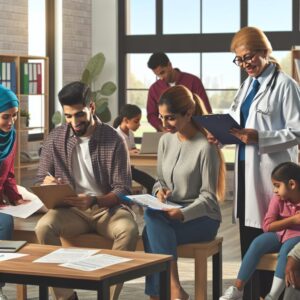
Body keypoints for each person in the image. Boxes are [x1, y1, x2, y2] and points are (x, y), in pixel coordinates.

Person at [214, 26, 300, 298]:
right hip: (245, 168)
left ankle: (271, 294)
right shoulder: (248, 85)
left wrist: (260, 137)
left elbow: (297, 131)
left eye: (248, 57)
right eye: (239, 59)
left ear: (265, 51)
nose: (244, 64)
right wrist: (220, 134)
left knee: (272, 236)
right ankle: (251, 294)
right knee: (250, 236)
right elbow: (237, 121)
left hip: (270, 175)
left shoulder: (286, 85)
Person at [35, 81, 139, 300]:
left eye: (79, 114)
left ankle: (108, 296)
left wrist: (95, 201)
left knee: (128, 230)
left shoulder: (114, 139)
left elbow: (123, 189)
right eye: (68, 116)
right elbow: (40, 177)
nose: (74, 121)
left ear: (91, 107)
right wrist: (47, 182)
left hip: (107, 210)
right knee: (44, 227)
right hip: (71, 210)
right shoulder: (55, 138)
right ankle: (66, 296)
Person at [142, 84, 226, 300]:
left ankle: (167, 290)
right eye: (161, 118)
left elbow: (209, 198)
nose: (164, 124)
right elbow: (159, 181)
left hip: (202, 218)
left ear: (188, 113)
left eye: (169, 118)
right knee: (152, 218)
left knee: (150, 232)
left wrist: (183, 213)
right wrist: (160, 191)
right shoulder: (165, 141)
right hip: (170, 213)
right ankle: (173, 290)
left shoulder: (206, 146)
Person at [220, 162, 300, 300]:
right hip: (278, 234)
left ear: (292, 184)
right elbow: (267, 226)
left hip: (297, 236)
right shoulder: (277, 199)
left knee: (286, 251)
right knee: (257, 243)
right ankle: (237, 289)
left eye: (277, 186)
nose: (274, 190)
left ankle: (272, 296)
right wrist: (293, 220)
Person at [0, 85, 33, 300]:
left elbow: (9, 174)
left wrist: (15, 197)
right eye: (5, 116)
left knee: (5, 222)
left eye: (14, 116)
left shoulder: (10, 137)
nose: (11, 122)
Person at [146, 52, 211, 132]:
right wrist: (164, 129)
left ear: (169, 65)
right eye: (157, 75)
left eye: (162, 72)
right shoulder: (154, 89)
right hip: (168, 135)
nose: (161, 78)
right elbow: (151, 115)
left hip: (194, 133)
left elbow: (205, 109)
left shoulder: (193, 81)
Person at [113, 104, 155, 194]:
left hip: (130, 170)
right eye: (136, 121)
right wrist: (128, 152)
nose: (139, 125)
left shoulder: (130, 134)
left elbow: (133, 149)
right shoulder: (115, 135)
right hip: (120, 172)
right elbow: (112, 156)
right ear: (125, 120)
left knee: (153, 184)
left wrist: (138, 151)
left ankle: (150, 203)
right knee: (151, 183)